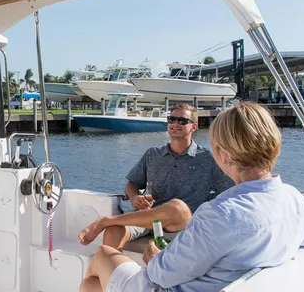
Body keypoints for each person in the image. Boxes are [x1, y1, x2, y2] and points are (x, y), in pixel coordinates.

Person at [62, 102, 304, 292]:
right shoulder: (292, 199)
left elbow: (160, 275)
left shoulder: (222, 213)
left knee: (102, 256)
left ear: (223, 155)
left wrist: (154, 256)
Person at [77, 103, 234, 252]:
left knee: (176, 207)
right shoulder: (153, 154)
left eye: (182, 121)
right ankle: (113, 276)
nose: (175, 124)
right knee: (114, 231)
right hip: (149, 219)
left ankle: (105, 220)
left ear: (194, 126)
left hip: (184, 225)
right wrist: (134, 197)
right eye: (172, 119)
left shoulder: (209, 159)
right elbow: (132, 183)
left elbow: (229, 193)